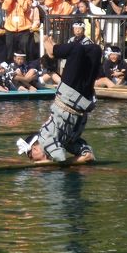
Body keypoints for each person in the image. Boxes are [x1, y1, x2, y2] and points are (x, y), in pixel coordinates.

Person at [16, 35, 102, 163]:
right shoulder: (66, 142)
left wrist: (47, 162)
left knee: (77, 49)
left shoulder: (44, 137)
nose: (32, 158)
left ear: (34, 148)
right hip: (82, 102)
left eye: (30, 156)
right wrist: (79, 159)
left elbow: (60, 157)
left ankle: (53, 51)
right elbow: (88, 155)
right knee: (95, 50)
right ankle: (54, 50)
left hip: (67, 95)